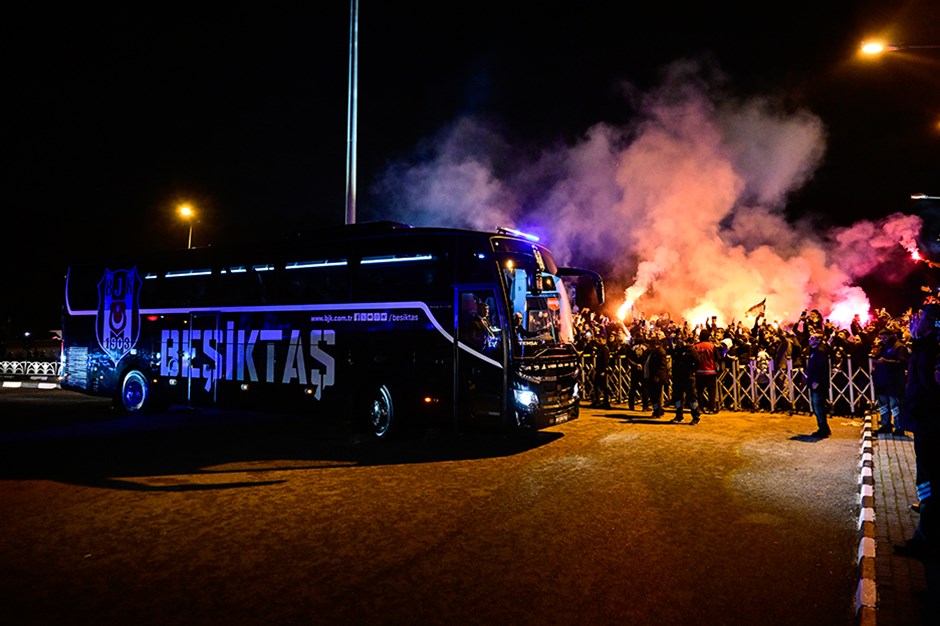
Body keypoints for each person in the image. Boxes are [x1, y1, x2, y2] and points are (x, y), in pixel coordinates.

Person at [894, 303, 940, 560]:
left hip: (931, 425)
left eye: (921, 318)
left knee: (929, 482)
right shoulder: (926, 348)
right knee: (926, 482)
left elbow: (928, 387)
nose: (915, 320)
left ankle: (927, 539)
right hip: (926, 423)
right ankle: (926, 525)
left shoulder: (932, 351)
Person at [871, 327, 910, 436]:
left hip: (894, 382)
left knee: (895, 405)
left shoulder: (900, 347)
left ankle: (899, 427)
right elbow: (877, 357)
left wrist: (886, 362)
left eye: (885, 337)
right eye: (881, 338)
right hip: (882, 381)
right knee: (883, 406)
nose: (883, 340)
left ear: (891, 336)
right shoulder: (883, 347)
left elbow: (902, 362)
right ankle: (885, 425)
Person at [669, 336, 702, 424]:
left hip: (688, 377)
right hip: (678, 378)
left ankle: (695, 416)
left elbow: (698, 362)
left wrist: (692, 371)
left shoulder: (690, 350)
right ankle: (679, 415)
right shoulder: (676, 351)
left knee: (691, 398)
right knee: (678, 399)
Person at [805, 332, 832, 438]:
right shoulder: (815, 350)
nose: (810, 339)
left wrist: (817, 381)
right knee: (817, 405)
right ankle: (823, 428)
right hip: (815, 382)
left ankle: (823, 429)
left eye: (813, 338)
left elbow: (822, 368)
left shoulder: (820, 351)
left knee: (818, 406)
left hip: (818, 383)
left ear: (819, 340)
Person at [644, 331, 670, 418]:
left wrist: (656, 375)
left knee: (655, 396)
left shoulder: (660, 352)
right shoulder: (654, 351)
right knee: (654, 396)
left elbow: (662, 366)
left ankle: (656, 412)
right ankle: (658, 410)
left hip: (657, 378)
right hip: (653, 376)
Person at [693, 329, 718, 413]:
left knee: (699, 391)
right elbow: (718, 358)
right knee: (711, 391)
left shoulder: (695, 346)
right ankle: (711, 408)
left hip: (699, 372)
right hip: (711, 371)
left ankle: (700, 407)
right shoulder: (712, 346)